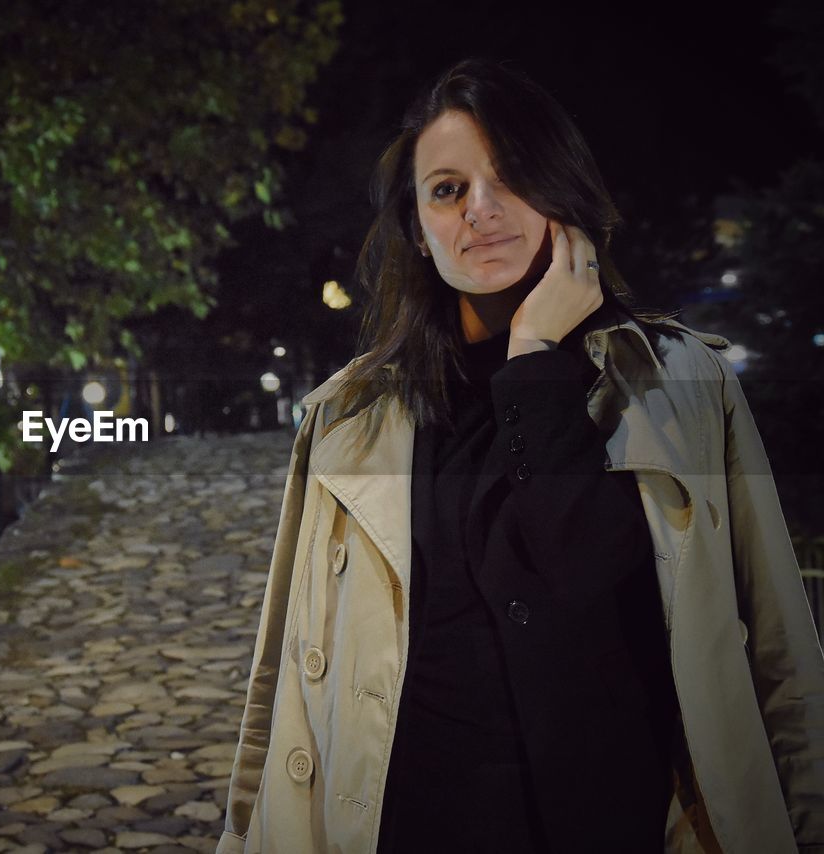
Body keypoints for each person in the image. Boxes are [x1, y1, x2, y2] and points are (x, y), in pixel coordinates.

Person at [217, 57, 824, 854]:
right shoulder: (347, 417)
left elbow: (778, 647)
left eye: (513, 177)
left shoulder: (679, 384)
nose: (483, 210)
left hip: (617, 823)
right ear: (416, 228)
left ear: (564, 196)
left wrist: (535, 356)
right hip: (410, 824)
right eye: (448, 189)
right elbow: (285, 678)